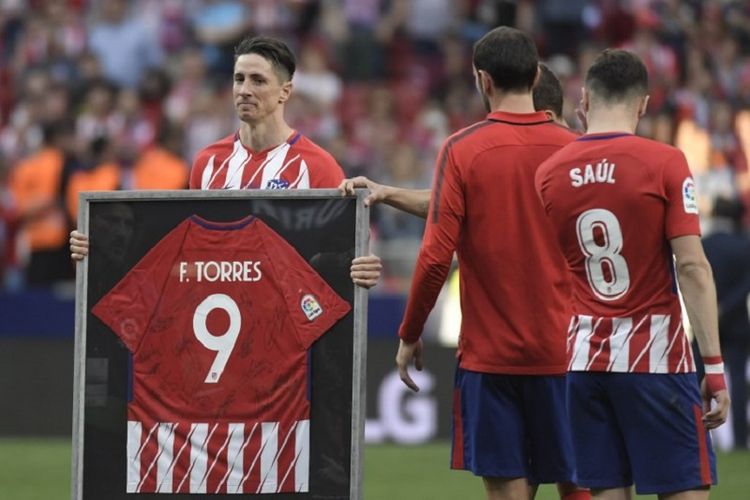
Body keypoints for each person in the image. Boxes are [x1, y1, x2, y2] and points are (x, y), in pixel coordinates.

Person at [370, 27, 584, 500]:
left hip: (492, 359)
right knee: (578, 482)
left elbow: (432, 257)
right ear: (535, 75)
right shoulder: (577, 152)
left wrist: (410, 333)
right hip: (568, 351)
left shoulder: (462, 149)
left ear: (482, 81)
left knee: (508, 489)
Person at [535, 49, 730, 499]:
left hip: (584, 358)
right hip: (654, 357)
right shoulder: (664, 162)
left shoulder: (549, 174)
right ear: (643, 104)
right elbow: (693, 266)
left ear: (583, 99)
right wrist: (715, 366)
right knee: (685, 489)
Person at [70, 36, 381, 288]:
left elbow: (348, 249)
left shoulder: (318, 166)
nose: (244, 90)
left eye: (258, 81)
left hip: (288, 330)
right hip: (217, 314)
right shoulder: (207, 162)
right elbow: (189, 247)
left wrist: (362, 267)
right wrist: (98, 247)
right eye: (239, 79)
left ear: (285, 92)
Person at [339, 62, 571, 216]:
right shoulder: (511, 154)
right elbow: (450, 203)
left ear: (547, 116)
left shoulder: (571, 162)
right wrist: (386, 192)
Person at [702, 196, 750, 450]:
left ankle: (697, 435)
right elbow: (746, 285)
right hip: (738, 322)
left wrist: (713, 310)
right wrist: (726, 308)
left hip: (706, 323)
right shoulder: (744, 245)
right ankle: (741, 439)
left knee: (697, 378)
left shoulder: (704, 244)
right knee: (738, 382)